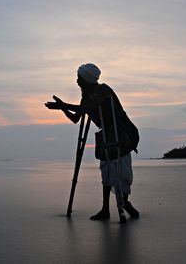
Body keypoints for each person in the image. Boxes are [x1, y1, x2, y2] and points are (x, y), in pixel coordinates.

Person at [45, 63, 139, 224]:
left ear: (87, 79)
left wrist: (62, 105)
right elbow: (76, 118)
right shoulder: (86, 95)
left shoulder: (103, 90)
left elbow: (88, 108)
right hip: (106, 136)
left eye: (79, 78)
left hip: (122, 134)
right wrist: (62, 108)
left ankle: (124, 204)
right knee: (106, 171)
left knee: (121, 172)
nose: (77, 81)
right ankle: (105, 209)